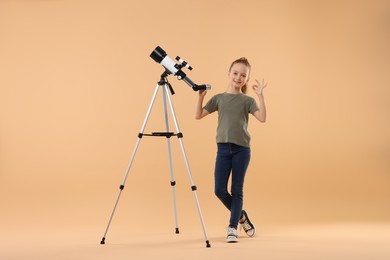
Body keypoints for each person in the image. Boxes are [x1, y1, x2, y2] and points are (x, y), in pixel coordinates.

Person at [195, 57, 267, 243]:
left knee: (237, 190)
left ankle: (233, 227)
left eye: (243, 75)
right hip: (223, 150)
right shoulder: (219, 98)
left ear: (247, 79)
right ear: (229, 74)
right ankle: (241, 216)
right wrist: (200, 97)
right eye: (235, 73)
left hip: (242, 150)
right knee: (219, 190)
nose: (238, 77)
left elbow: (262, 118)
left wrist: (260, 96)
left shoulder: (247, 100)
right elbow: (198, 115)